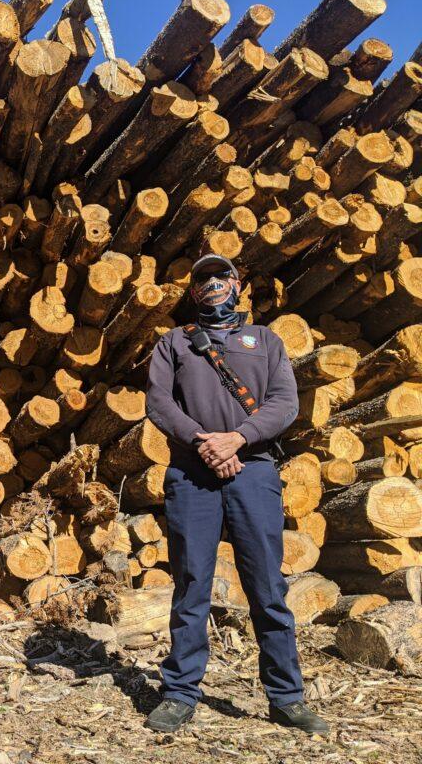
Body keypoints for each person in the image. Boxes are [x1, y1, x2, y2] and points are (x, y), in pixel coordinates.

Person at [143, 254, 328, 735]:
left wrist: (238, 438)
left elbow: (285, 402)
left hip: (254, 471)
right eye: (202, 279)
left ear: (237, 284)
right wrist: (204, 442)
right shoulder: (174, 343)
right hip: (191, 473)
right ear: (192, 291)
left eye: (220, 276)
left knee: (268, 587)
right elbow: (159, 401)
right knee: (191, 584)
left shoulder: (265, 340)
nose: (212, 285)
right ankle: (180, 693)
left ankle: (286, 699)